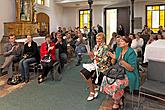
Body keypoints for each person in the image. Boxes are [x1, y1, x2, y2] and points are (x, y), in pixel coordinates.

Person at [105, 36, 140, 110]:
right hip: (119, 70)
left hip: (129, 73)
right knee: (106, 78)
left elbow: (131, 68)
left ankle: (116, 102)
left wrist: (121, 60)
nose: (119, 42)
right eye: (119, 41)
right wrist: (113, 58)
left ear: (127, 43)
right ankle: (119, 98)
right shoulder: (118, 49)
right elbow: (113, 63)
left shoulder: (131, 52)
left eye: (122, 41)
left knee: (117, 83)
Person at [80, 33, 111, 101]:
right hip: (95, 64)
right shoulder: (96, 46)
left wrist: (94, 57)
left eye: (100, 39)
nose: (98, 40)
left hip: (103, 67)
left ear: (103, 39)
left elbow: (104, 60)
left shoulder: (106, 47)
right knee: (84, 73)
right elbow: (93, 58)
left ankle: (92, 91)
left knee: (88, 74)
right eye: (97, 38)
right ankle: (94, 89)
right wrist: (91, 56)